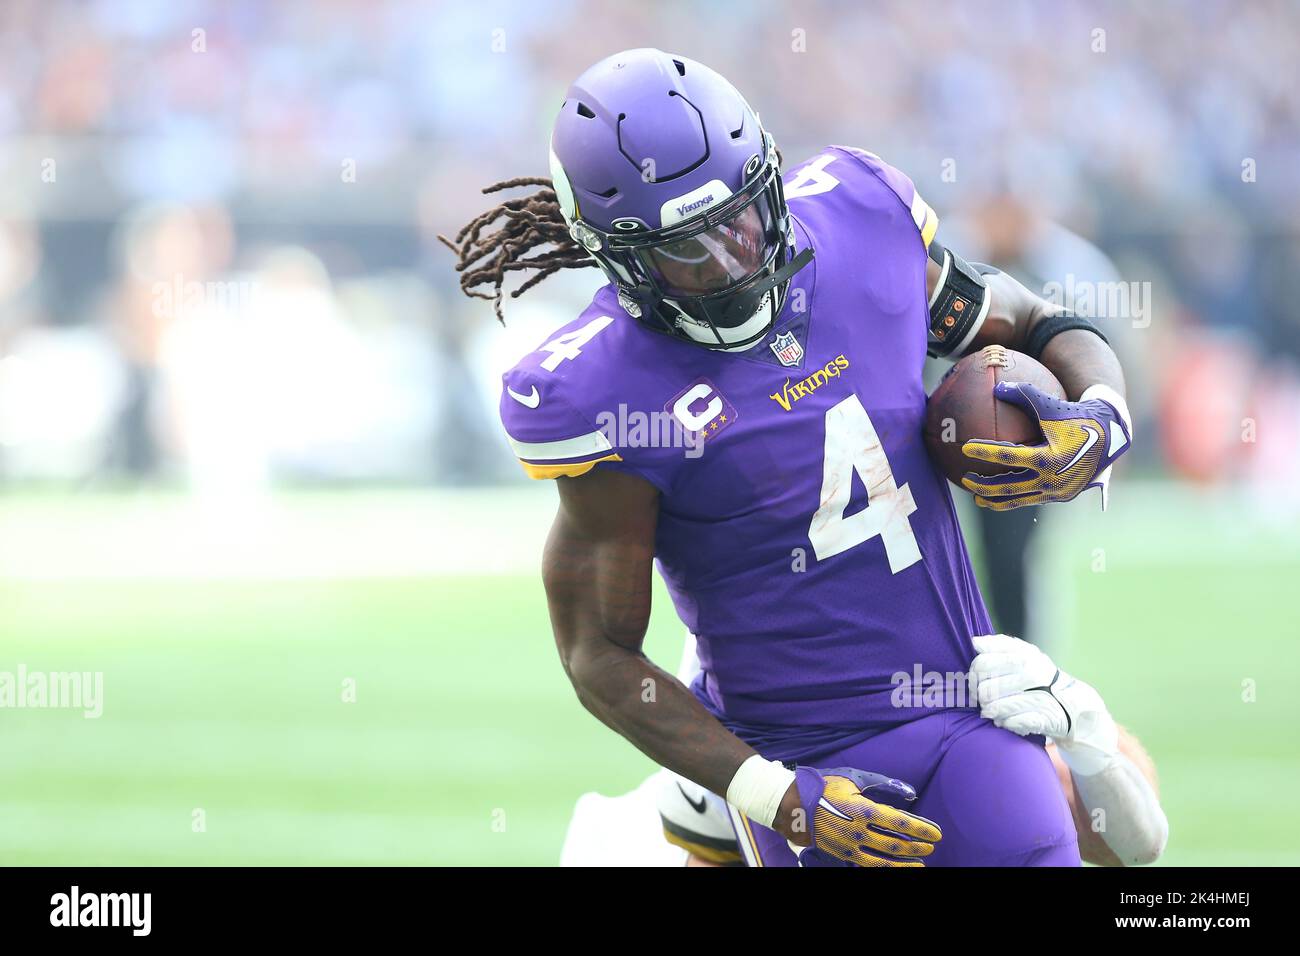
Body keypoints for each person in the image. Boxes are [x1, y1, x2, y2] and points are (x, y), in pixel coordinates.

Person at [441, 49, 1133, 866]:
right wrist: (776, 796)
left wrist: (1100, 419)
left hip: (966, 702)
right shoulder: (598, 393)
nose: (733, 260)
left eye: (739, 219)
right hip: (799, 754)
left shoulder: (860, 218)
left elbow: (1037, 324)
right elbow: (599, 653)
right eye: (686, 250)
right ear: (620, 258)